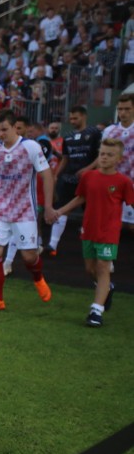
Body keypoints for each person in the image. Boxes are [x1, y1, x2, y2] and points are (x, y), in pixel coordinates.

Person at [51, 139, 134, 327]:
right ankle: (107, 289)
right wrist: (59, 212)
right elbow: (80, 198)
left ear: (119, 159)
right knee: (90, 270)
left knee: (103, 268)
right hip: (88, 230)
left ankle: (96, 310)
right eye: (102, 153)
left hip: (109, 233)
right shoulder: (88, 177)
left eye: (109, 155)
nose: (104, 157)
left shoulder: (123, 182)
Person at [0, 110, 54, 312]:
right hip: (0, 210)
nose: (1, 134)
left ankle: (38, 278)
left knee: (29, 256)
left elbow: (46, 175)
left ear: (14, 127)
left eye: (4, 129)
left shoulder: (30, 147)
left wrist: (47, 206)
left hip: (25, 211)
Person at [47, 106, 102, 256]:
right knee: (62, 208)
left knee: (91, 212)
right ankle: (52, 245)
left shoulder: (94, 133)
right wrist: (56, 174)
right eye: (71, 118)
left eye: (75, 118)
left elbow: (101, 155)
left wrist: (89, 169)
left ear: (84, 116)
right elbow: (65, 158)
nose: (72, 121)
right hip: (69, 178)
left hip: (90, 179)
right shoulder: (68, 136)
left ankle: (95, 245)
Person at [100, 93, 134, 229]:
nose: (123, 113)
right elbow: (102, 155)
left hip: (132, 184)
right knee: (111, 224)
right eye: (120, 109)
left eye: (127, 109)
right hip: (113, 183)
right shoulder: (110, 130)